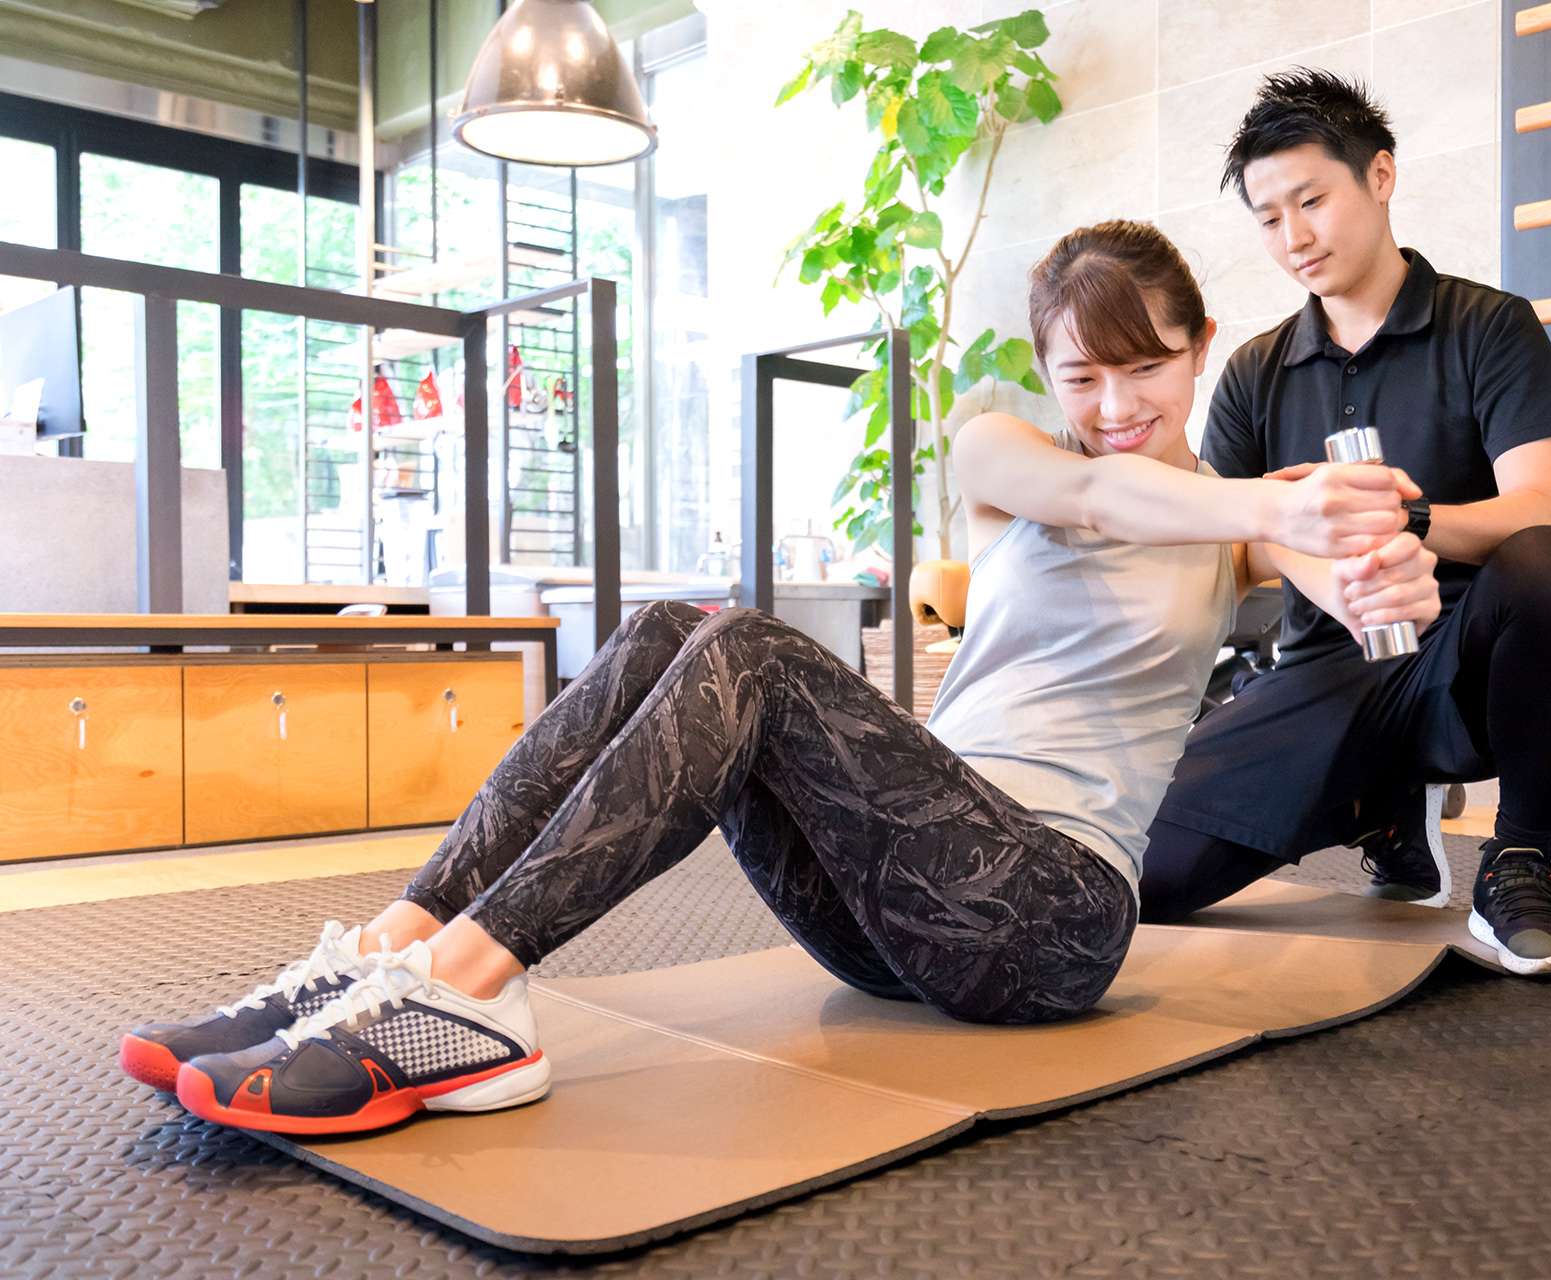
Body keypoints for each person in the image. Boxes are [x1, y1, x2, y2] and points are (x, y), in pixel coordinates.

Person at [118, 219, 1440, 1136]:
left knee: (744, 643)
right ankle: (391, 954)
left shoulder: (1241, 524)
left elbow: (1344, 583)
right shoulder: (1007, 456)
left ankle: (463, 995)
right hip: (891, 909)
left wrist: (1378, 572)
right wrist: (1267, 504)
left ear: (1201, 344)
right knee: (666, 628)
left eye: (1145, 367)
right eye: (1081, 374)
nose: (1113, 404)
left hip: (1049, 921)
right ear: (1044, 372)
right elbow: (1096, 491)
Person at [1136, 69, 1551, 978]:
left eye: (1311, 201)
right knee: (1144, 879)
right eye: (1268, 217)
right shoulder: (1254, 372)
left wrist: (1409, 517)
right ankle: (1380, 806)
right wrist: (1321, 561)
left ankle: (1517, 863)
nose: (1293, 237)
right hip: (1326, 670)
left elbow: (1545, 510)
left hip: (1460, 666)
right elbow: (1231, 541)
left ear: (1381, 176)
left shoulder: (1490, 326)